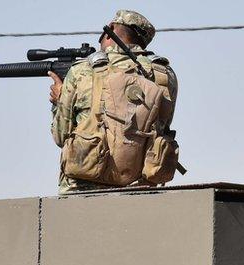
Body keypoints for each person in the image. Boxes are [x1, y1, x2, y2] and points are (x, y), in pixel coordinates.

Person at [49, 10, 179, 194]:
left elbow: (60, 136)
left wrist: (58, 99)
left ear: (110, 29)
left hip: (81, 189)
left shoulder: (82, 70)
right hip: (139, 189)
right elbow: (162, 127)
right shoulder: (164, 75)